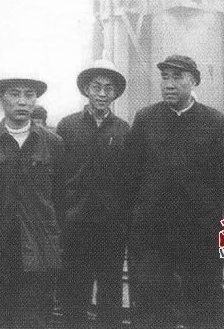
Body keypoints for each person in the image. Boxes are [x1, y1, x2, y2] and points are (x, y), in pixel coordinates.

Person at [126, 54, 224, 329]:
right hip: (155, 233)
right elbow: (131, 175)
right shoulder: (146, 119)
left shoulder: (215, 122)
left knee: (204, 305)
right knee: (154, 307)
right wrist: (132, 222)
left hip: (201, 233)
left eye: (177, 77)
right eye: (165, 77)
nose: (169, 84)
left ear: (194, 81)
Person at [0, 73, 65, 329]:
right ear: (1, 98)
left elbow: (62, 198)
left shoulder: (53, 143)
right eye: (15, 94)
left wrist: (54, 243)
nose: (22, 101)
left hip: (39, 251)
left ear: (35, 100)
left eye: (29, 95)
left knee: (35, 321)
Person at [57, 60, 129, 329]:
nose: (102, 93)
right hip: (75, 224)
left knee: (110, 288)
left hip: (111, 226)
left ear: (115, 93)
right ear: (86, 90)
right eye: (96, 87)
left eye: (108, 88)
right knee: (75, 288)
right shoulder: (68, 126)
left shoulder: (123, 130)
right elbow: (58, 175)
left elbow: (129, 178)